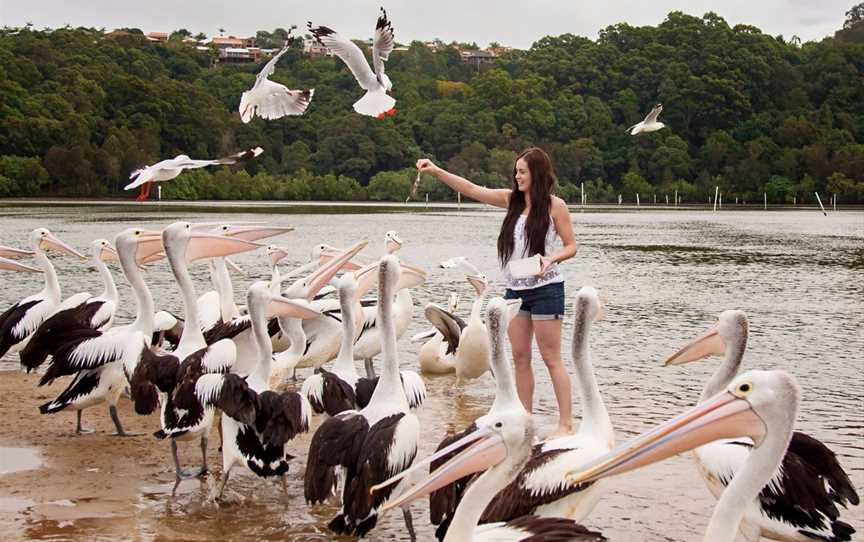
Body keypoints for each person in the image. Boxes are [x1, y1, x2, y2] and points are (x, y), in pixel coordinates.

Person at [416, 148, 577, 438]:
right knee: (519, 357)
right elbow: (471, 188)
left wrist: (551, 259)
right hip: (516, 288)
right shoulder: (510, 201)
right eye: (516, 172)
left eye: (523, 172)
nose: (517, 177)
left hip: (547, 288)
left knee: (551, 358)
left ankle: (565, 425)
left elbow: (571, 246)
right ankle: (525, 419)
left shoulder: (556, 207)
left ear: (538, 174)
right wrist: (437, 170)